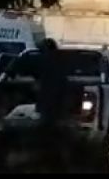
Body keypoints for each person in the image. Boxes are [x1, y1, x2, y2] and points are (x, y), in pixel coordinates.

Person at [35, 38, 71, 172]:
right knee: (55, 139)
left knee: (50, 138)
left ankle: (53, 164)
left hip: (52, 106)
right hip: (56, 106)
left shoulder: (47, 61)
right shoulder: (60, 61)